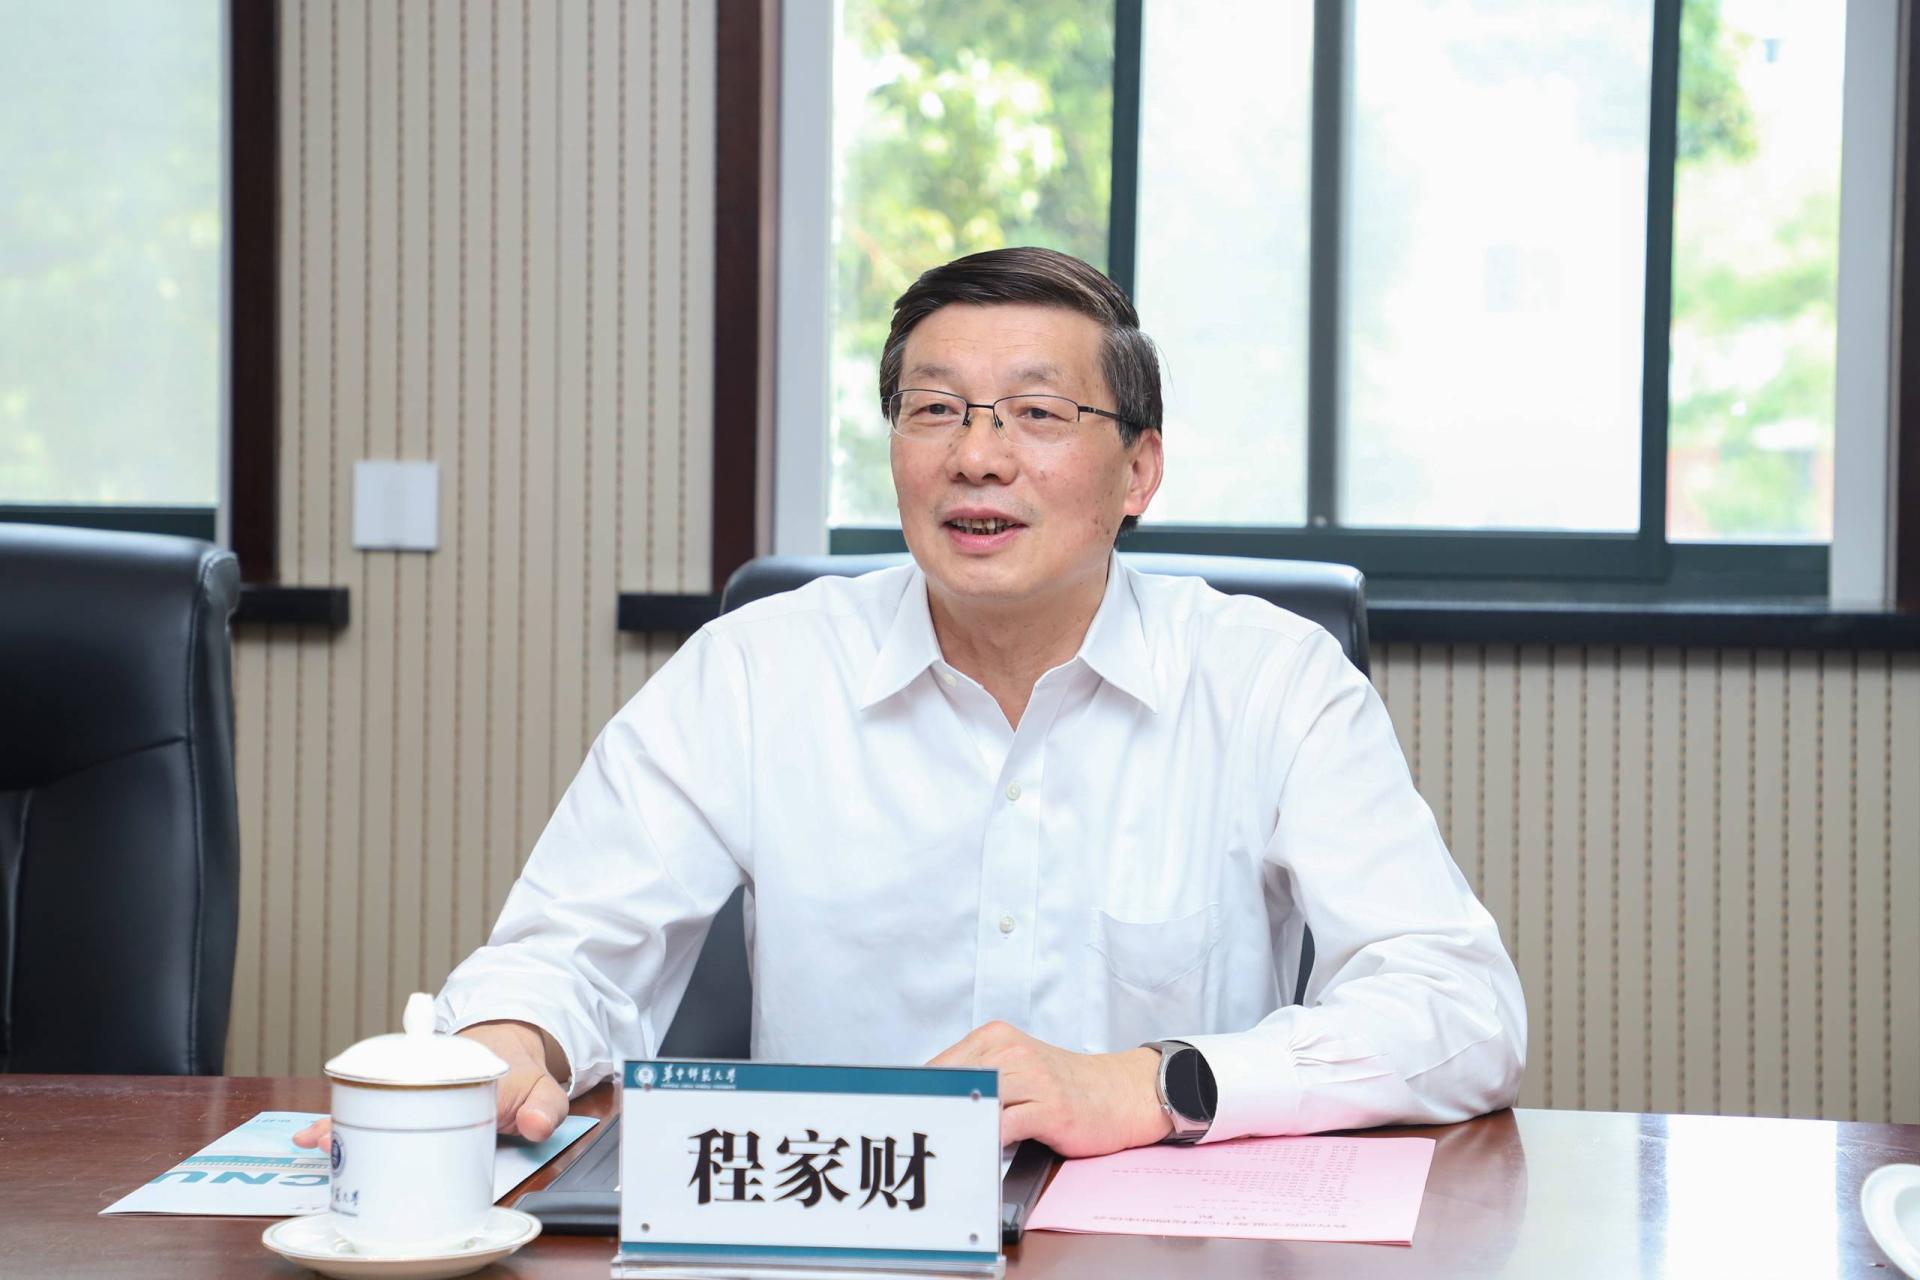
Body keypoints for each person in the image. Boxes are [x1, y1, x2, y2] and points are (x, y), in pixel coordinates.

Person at [297, 246, 1524, 1159]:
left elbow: (1460, 1007)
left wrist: (1153, 1084)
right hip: (830, 1225)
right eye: (934, 410)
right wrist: (510, 1043)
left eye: (1038, 414)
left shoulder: (1271, 680)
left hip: (1155, 1237)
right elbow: (567, 947)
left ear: (1139, 469)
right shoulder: (755, 670)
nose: (976, 455)